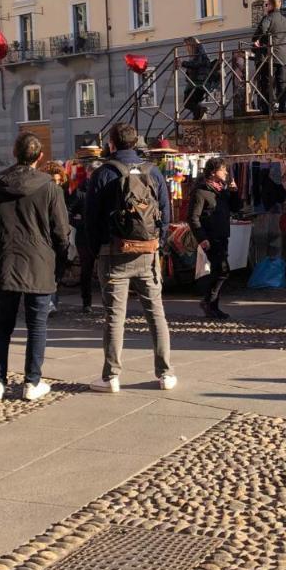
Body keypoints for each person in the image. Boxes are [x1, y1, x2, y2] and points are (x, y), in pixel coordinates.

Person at [0, 133, 70, 401]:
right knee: (37, 325)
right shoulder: (50, 187)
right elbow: (61, 233)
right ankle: (32, 382)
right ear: (39, 157)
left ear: (13, 153)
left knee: (2, 324)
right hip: (39, 261)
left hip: (4, 260)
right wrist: (59, 261)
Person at [84, 122, 175, 393]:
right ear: (136, 142)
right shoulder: (153, 172)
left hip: (114, 253)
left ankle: (111, 376)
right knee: (156, 313)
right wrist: (157, 241)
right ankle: (166, 374)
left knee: (114, 316)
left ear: (111, 144)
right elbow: (166, 215)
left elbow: (91, 218)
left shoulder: (103, 174)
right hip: (147, 253)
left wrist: (97, 247)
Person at [188, 157, 242, 320]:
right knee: (222, 270)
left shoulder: (222, 190)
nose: (226, 172)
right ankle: (209, 302)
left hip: (222, 234)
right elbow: (193, 217)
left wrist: (234, 193)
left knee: (220, 271)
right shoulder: (200, 191)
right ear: (213, 172)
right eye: (223, 169)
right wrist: (202, 238)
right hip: (211, 237)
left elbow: (236, 208)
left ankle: (212, 305)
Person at [251, 0, 286, 112]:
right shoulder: (285, 20)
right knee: (282, 82)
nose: (265, 7)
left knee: (267, 82)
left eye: (266, 5)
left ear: (271, 6)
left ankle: (268, 108)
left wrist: (260, 40)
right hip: (283, 56)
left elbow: (263, 30)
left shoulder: (268, 17)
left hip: (270, 55)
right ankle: (283, 107)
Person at [41, 161, 71, 312]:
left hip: (60, 239)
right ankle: (49, 303)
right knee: (49, 274)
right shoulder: (43, 195)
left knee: (57, 274)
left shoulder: (62, 194)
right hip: (47, 240)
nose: (57, 184)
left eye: (59, 181)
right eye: (54, 181)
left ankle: (52, 301)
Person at [67, 175, 95, 313]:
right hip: (85, 236)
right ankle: (86, 302)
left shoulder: (104, 188)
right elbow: (67, 211)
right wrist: (79, 223)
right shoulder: (80, 192)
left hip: (101, 235)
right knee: (87, 269)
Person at [180, 36, 213, 120]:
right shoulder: (199, 51)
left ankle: (201, 110)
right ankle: (198, 116)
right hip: (198, 81)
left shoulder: (198, 51)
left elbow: (196, 64)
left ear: (191, 44)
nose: (186, 48)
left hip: (198, 81)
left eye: (186, 46)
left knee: (188, 103)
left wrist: (183, 63)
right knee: (193, 102)